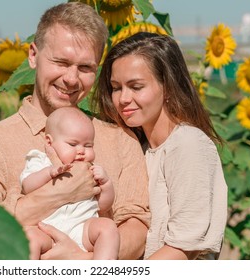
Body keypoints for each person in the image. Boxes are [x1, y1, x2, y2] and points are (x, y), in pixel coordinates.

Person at [0, 2, 150, 260]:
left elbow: (136, 227)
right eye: (61, 62)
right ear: (33, 56)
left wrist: (80, 261)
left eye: (85, 68)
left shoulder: (120, 139)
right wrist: (62, 193)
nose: (71, 78)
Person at [92, 32, 228, 260]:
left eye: (136, 87)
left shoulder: (188, 144)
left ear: (167, 87)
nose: (123, 98)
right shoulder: (137, 147)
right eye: (116, 87)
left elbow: (183, 249)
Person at [20, 107, 119, 260]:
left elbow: (103, 205)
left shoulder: (90, 169)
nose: (81, 151)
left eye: (88, 145)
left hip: (81, 228)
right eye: (73, 144)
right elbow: (27, 186)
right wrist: (48, 173)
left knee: (108, 227)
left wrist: (106, 184)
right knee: (29, 238)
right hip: (46, 229)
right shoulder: (40, 160)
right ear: (49, 142)